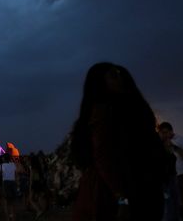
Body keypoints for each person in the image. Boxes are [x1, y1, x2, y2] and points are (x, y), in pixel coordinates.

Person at [71, 63, 166, 221]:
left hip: (137, 187)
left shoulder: (125, 110)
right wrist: (121, 197)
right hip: (117, 192)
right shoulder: (103, 113)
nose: (120, 79)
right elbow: (103, 156)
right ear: (101, 83)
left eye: (119, 74)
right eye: (113, 76)